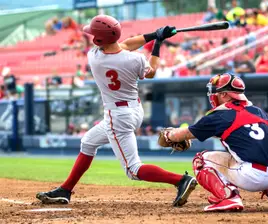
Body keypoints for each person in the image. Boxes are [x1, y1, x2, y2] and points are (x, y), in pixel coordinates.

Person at [36, 15, 197, 206]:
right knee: (88, 143)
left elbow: (125, 44)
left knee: (133, 170)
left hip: (117, 116)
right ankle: (65, 190)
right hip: (134, 110)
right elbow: (150, 70)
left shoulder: (94, 57)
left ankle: (180, 180)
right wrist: (157, 41)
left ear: (98, 40)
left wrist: (155, 35)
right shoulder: (135, 59)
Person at [158, 73, 268, 212]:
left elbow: (185, 134)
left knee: (200, 159)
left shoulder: (219, 115)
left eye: (216, 92)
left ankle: (229, 197)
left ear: (225, 94)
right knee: (256, 155)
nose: (213, 96)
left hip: (254, 176)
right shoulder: (258, 111)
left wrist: (169, 134)